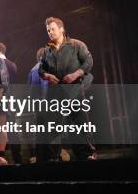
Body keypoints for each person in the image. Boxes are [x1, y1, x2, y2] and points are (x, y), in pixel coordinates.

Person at [37, 17, 96, 161]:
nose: (50, 32)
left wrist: (76, 74)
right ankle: (54, 158)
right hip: (55, 93)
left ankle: (86, 155)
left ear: (61, 29)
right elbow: (41, 69)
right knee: (54, 127)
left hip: (74, 91)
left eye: (53, 29)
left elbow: (88, 61)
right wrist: (47, 76)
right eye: (48, 30)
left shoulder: (76, 45)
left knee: (80, 125)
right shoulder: (46, 51)